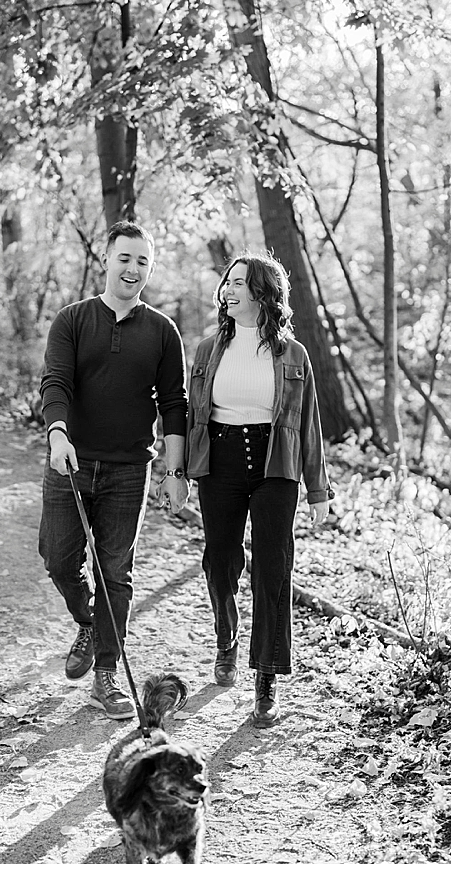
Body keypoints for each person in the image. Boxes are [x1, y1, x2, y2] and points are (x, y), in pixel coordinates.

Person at [38, 221, 189, 719]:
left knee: (115, 571)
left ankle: (106, 673)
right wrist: (58, 432)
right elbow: (55, 382)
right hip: (70, 461)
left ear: (150, 268)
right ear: (108, 260)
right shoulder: (73, 320)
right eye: (125, 258)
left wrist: (175, 469)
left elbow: (174, 403)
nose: (133, 269)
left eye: (143, 261)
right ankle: (87, 620)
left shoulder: (162, 331)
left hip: (129, 469)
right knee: (58, 557)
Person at [182, 252, 331, 727]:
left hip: (275, 462)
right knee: (220, 558)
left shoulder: (294, 354)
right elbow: (192, 417)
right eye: (227, 282)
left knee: (273, 564)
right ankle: (226, 636)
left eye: (239, 283)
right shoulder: (207, 350)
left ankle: (266, 675)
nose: (228, 290)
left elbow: (309, 424)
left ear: (263, 293)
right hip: (220, 461)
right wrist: (179, 472)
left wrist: (318, 489)